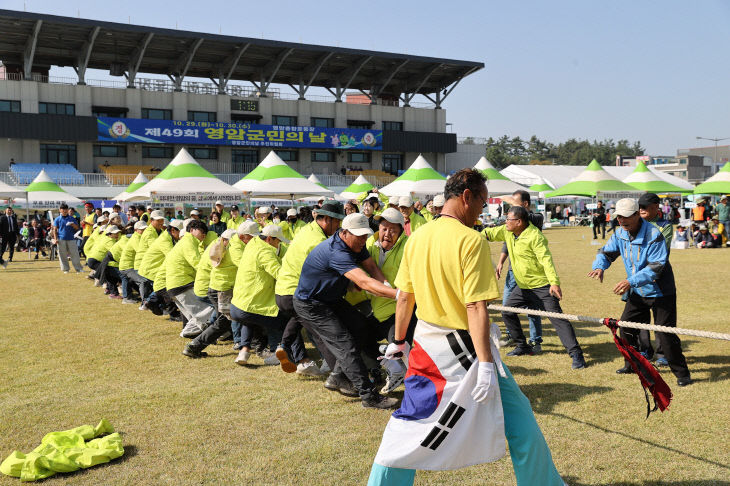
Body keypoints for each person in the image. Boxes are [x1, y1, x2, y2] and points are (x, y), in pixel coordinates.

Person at [368, 168, 567, 486]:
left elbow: (405, 297)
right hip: (466, 352)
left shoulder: (417, 238)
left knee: (409, 425)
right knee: (520, 422)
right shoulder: (470, 241)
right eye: (483, 202)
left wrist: (401, 341)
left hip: (427, 348)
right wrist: (487, 365)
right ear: (466, 196)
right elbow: (476, 306)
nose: (484, 210)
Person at [292, 213, 399, 409]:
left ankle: (337, 377)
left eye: (365, 235)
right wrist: (399, 295)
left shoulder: (355, 244)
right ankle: (369, 396)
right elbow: (364, 282)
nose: (363, 240)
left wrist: (387, 285)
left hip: (330, 299)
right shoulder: (337, 252)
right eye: (359, 236)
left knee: (360, 327)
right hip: (312, 305)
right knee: (346, 345)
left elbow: (371, 267)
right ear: (344, 232)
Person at [588, 198, 692, 387]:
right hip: (637, 291)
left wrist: (630, 281)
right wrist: (600, 266)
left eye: (627, 216)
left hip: (661, 292)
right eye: (619, 217)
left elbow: (656, 267)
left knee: (665, 335)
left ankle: (682, 374)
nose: (622, 220)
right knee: (625, 328)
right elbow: (606, 253)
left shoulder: (654, 234)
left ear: (637, 214)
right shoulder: (620, 233)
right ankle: (632, 364)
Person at [484, 206, 586, 369]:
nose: (505, 222)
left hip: (542, 286)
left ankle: (576, 354)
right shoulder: (508, 231)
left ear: (518, 222)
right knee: (507, 311)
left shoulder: (534, 236)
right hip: (523, 287)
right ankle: (522, 346)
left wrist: (554, 282)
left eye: (508, 219)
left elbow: (546, 260)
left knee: (558, 320)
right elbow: (487, 234)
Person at [274, 201, 346, 376]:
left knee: (299, 319)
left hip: (283, 291)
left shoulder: (306, 229)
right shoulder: (319, 241)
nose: (339, 227)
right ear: (327, 220)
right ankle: (339, 375)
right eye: (338, 222)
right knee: (321, 333)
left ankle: (286, 347)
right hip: (296, 293)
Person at [494, 190, 544, 353]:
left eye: (515, 204)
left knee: (532, 309)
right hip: (512, 272)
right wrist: (501, 261)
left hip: (530, 274)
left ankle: (535, 341)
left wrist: (513, 204)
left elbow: (529, 217)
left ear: (525, 205)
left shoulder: (536, 218)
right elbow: (506, 243)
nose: (512, 209)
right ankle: (512, 336)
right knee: (507, 306)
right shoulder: (513, 225)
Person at [183, 229, 240, 358]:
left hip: (215, 289)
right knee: (224, 321)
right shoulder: (230, 250)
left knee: (222, 320)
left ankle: (194, 346)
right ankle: (194, 346)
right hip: (221, 291)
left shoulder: (216, 247)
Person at [167, 219, 212, 338]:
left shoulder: (189, 242)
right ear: (191, 230)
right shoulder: (188, 242)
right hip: (182, 284)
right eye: (201, 231)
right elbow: (197, 263)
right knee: (206, 311)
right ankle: (189, 334)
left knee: (196, 317)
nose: (203, 235)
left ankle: (194, 334)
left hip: (175, 284)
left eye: (205, 233)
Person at [131, 210, 166, 302]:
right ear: (151, 221)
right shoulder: (149, 233)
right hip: (144, 262)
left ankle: (149, 302)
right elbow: (157, 247)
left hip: (153, 262)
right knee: (157, 284)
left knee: (155, 285)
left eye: (162, 220)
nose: (161, 222)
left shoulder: (161, 231)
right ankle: (146, 302)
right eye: (158, 220)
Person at [118, 220, 147, 304]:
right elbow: (140, 251)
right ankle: (145, 302)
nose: (144, 231)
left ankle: (127, 297)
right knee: (142, 281)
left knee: (127, 280)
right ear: (136, 230)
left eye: (145, 229)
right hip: (127, 266)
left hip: (128, 265)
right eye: (142, 229)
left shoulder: (139, 237)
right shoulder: (135, 238)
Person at [51, 204, 83, 273]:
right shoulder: (57, 219)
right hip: (61, 239)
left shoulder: (72, 218)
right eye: (63, 209)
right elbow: (55, 230)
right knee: (62, 255)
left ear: (67, 210)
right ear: (60, 210)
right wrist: (55, 239)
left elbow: (77, 228)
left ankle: (79, 268)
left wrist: (73, 225)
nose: (64, 211)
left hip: (71, 238)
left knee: (75, 254)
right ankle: (65, 269)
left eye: (66, 209)